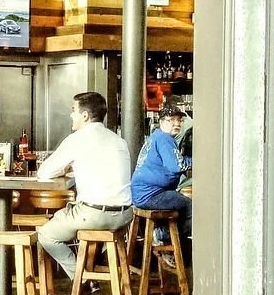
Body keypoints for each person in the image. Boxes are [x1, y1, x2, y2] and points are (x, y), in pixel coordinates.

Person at [36, 92, 133, 281]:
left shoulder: (77, 139)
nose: (71, 115)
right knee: (65, 216)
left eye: (74, 111)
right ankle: (98, 269)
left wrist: (65, 168)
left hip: (95, 215)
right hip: (124, 216)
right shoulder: (118, 140)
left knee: (46, 234)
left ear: (85, 116)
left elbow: (44, 172)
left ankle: (82, 278)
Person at [131, 104, 192, 266]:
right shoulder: (165, 139)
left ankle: (162, 234)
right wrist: (194, 161)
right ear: (161, 122)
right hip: (151, 195)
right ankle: (164, 240)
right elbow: (176, 166)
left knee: (177, 201)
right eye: (171, 120)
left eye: (179, 120)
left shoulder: (156, 136)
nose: (176, 124)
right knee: (189, 206)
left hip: (143, 194)